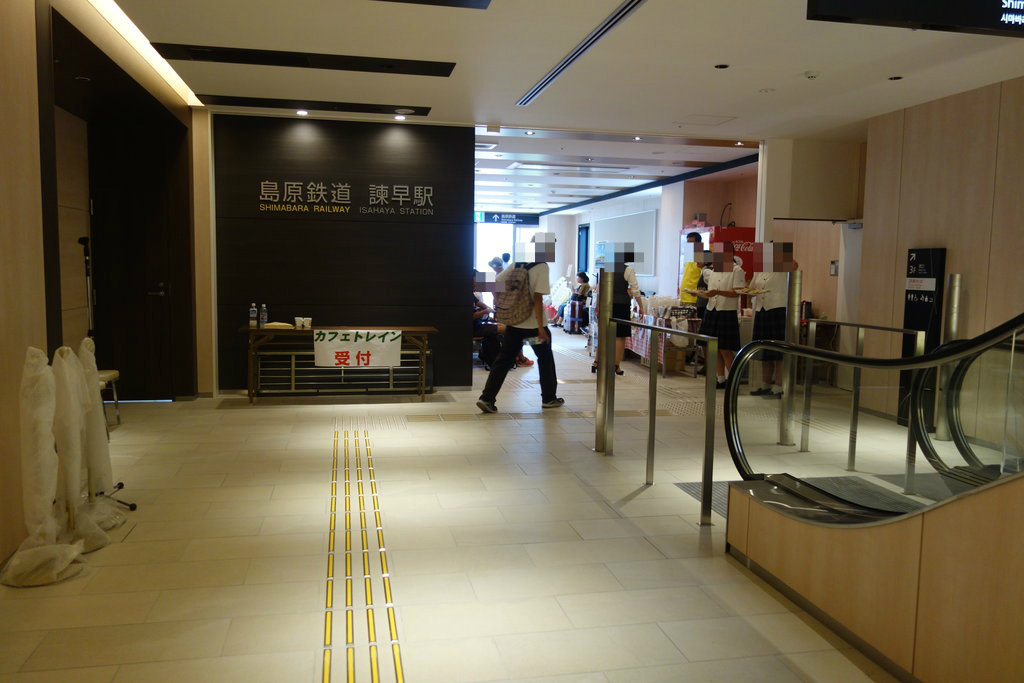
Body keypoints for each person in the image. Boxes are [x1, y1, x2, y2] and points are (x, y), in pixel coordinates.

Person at [477, 233, 563, 413]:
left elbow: (495, 281)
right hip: (533, 329)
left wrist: (500, 303)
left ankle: (487, 398)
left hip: (515, 327)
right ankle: (549, 398)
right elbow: (538, 298)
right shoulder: (541, 266)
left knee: (503, 361)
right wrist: (541, 328)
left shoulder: (518, 262)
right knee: (545, 359)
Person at [692, 241, 746, 388]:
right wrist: (699, 294)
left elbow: (737, 292)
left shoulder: (737, 270)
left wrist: (717, 292)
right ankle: (720, 378)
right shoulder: (715, 270)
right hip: (711, 310)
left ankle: (733, 381)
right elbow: (711, 293)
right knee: (713, 347)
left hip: (726, 312)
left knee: (725, 349)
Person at [749, 245, 796, 398]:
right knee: (764, 349)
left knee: (779, 350)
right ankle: (765, 384)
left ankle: (779, 386)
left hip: (778, 310)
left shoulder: (782, 269)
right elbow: (751, 288)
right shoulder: (760, 270)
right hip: (761, 311)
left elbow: (795, 265)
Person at [592, 244, 645, 376]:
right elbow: (635, 289)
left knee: (604, 334)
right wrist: (641, 306)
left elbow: (599, 289)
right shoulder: (628, 269)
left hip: (605, 304)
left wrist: (598, 306)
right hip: (621, 305)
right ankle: (616, 365)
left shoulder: (606, 268)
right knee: (620, 336)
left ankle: (596, 362)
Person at [473, 289, 533, 370]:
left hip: (481, 323)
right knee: (511, 330)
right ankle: (520, 358)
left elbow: (485, 301)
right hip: (477, 326)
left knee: (512, 329)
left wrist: (489, 309)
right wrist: (488, 309)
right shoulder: (473, 290)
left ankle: (517, 356)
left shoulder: (472, 293)